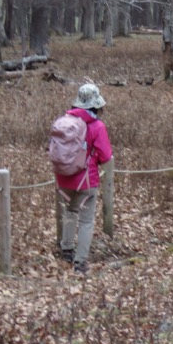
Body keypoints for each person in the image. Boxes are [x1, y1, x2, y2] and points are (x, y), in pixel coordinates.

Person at [56, 84, 113, 273]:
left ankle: (66, 249)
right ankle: (80, 262)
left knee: (70, 211)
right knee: (86, 221)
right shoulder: (97, 126)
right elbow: (105, 156)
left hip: (64, 178)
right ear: (96, 105)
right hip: (86, 181)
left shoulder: (65, 121)